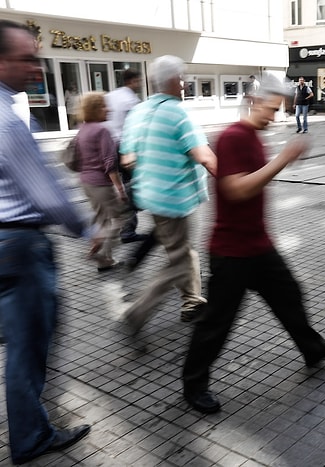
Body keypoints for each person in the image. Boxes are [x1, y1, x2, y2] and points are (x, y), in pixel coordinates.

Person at [181, 75, 325, 414]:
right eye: (271, 109)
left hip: (257, 244)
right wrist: (282, 160)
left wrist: (278, 160)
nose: (274, 117)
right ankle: (193, 385)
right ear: (254, 101)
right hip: (231, 251)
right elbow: (235, 189)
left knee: (290, 295)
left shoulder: (253, 137)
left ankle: (312, 349)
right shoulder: (232, 137)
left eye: (279, 111)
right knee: (217, 322)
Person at [0, 19, 91, 464]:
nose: (36, 68)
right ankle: (31, 438)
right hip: (19, 246)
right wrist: (86, 229)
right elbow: (48, 196)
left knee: (19, 341)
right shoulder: (8, 121)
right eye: (27, 58)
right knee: (28, 346)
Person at [119, 55, 217, 330]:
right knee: (179, 260)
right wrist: (234, 184)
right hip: (177, 200)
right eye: (182, 79)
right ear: (173, 81)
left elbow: (127, 157)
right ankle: (137, 312)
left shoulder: (139, 111)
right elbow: (205, 157)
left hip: (152, 197)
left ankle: (193, 300)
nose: (185, 84)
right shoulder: (177, 112)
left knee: (184, 251)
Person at [76, 91, 128, 271]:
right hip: (100, 183)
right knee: (120, 218)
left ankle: (105, 260)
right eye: (104, 105)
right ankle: (100, 248)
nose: (108, 109)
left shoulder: (82, 128)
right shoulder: (102, 130)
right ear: (95, 109)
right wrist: (120, 189)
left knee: (103, 220)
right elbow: (109, 162)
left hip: (86, 182)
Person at [105, 68, 150, 244]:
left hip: (108, 146)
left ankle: (123, 223)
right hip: (125, 147)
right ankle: (127, 229)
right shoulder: (132, 100)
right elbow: (138, 127)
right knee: (133, 187)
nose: (139, 84)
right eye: (139, 81)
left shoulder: (111, 95)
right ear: (133, 81)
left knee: (121, 186)